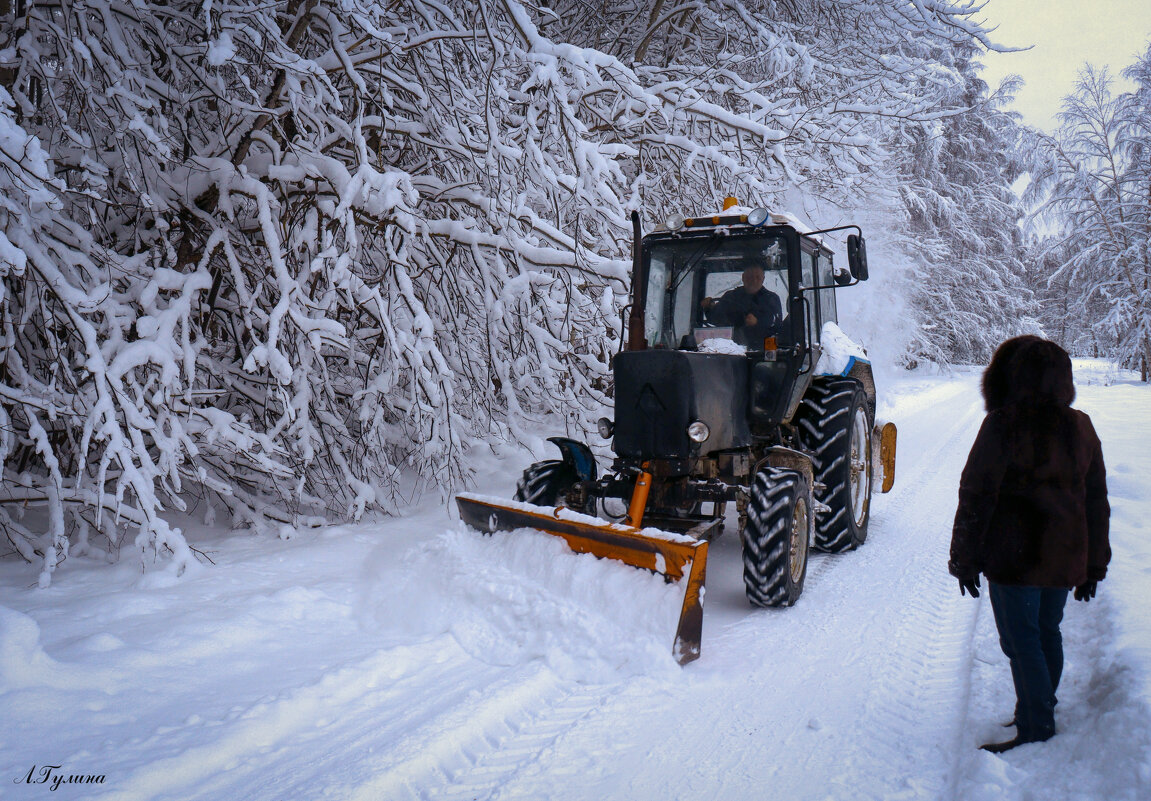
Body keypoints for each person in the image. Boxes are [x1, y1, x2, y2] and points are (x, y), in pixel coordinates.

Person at [949, 335, 1110, 753]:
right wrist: (1094, 564)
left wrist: (964, 558)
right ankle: (1038, 708)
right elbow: (1096, 499)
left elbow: (976, 494)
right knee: (1045, 632)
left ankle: (1037, 722)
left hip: (1014, 556)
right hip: (1063, 552)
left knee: (1020, 641)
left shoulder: (1003, 424)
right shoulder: (1081, 425)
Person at [700, 263, 783, 347]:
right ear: (743, 278)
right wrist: (709, 307)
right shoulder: (731, 296)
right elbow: (716, 319)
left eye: (757, 277)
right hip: (731, 349)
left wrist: (757, 323)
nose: (754, 281)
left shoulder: (771, 299)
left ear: (763, 279)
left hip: (762, 351)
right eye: (749, 277)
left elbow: (776, 325)